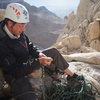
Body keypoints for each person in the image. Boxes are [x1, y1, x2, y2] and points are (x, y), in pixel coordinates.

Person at [0, 3, 79, 100]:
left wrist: (39, 53)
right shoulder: (2, 42)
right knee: (28, 95)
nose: (23, 29)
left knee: (53, 52)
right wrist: (37, 62)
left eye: (24, 26)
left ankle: (72, 76)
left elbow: (29, 45)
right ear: (10, 23)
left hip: (27, 61)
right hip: (15, 73)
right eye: (21, 26)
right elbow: (15, 70)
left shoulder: (17, 30)